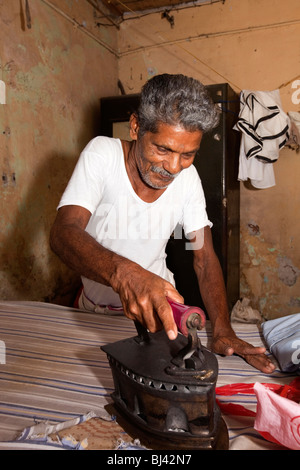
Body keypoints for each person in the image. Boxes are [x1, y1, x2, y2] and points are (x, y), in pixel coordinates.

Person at [50, 73, 275, 374]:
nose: (172, 167)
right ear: (135, 127)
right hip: (96, 310)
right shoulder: (102, 156)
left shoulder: (187, 180)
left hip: (160, 313)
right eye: (163, 149)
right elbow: (64, 233)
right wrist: (126, 274)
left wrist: (223, 329)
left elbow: (204, 259)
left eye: (188, 154)